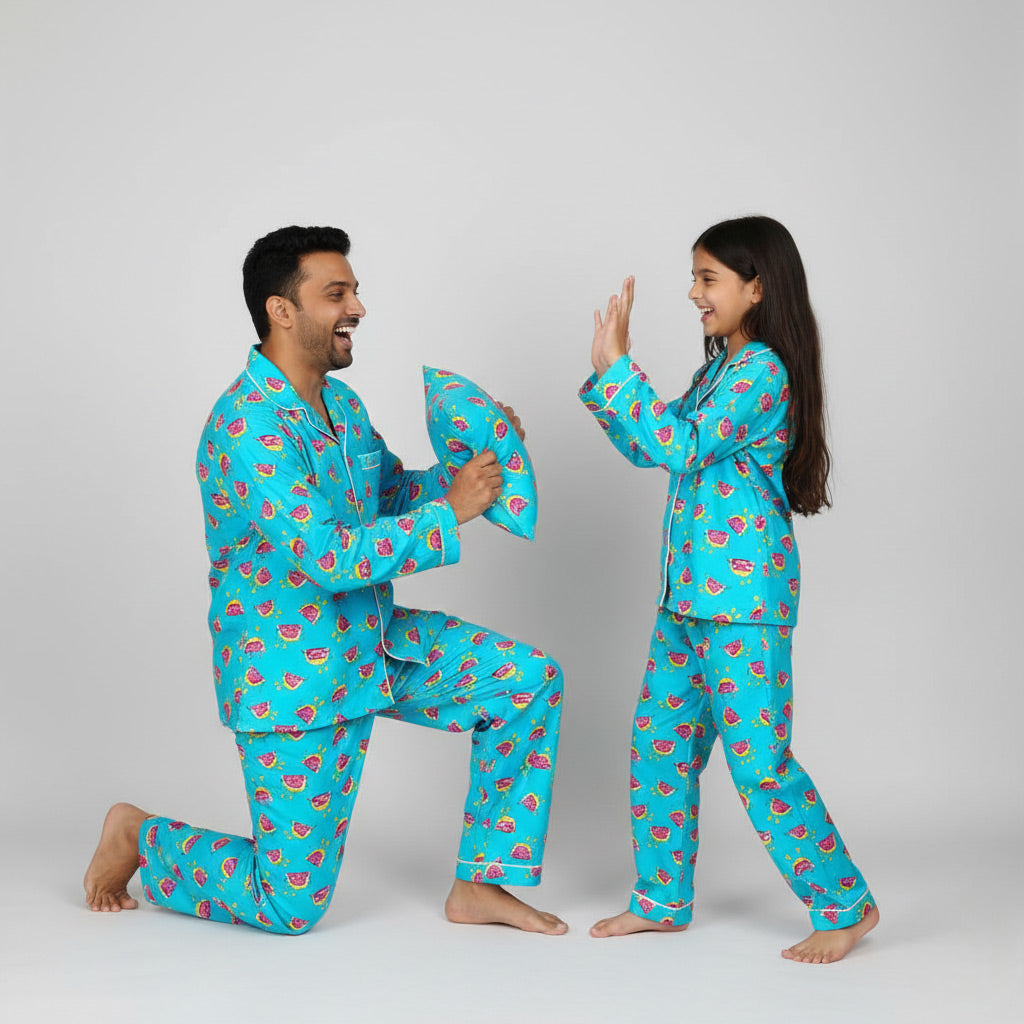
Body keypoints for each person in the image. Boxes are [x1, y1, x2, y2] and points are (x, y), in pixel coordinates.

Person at [84, 225, 566, 935]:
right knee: (290, 907)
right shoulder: (246, 427)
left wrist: (477, 470)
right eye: (336, 293)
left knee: (528, 681)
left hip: (377, 643)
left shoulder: (342, 407)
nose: (359, 308)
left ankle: (480, 886)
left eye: (356, 291)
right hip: (293, 678)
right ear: (282, 310)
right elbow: (328, 555)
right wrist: (455, 512)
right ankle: (140, 836)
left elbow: (395, 493)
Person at [580, 216, 878, 963]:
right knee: (658, 747)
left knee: (759, 762)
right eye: (694, 276)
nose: (692, 293)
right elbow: (659, 447)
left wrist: (622, 370)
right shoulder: (722, 369)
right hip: (687, 599)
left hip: (742, 606)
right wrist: (606, 374)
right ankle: (660, 899)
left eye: (706, 278)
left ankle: (846, 905)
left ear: (757, 286)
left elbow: (676, 443)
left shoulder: (761, 371)